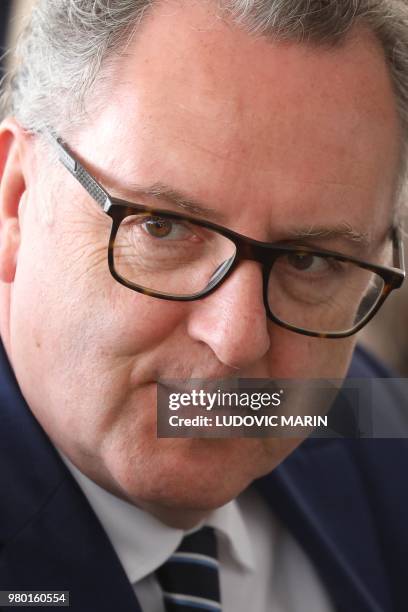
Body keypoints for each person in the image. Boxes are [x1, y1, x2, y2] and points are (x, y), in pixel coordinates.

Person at [0, 1, 407, 610]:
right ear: (16, 201)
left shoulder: (381, 428)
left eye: (308, 261)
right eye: (163, 228)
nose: (238, 339)